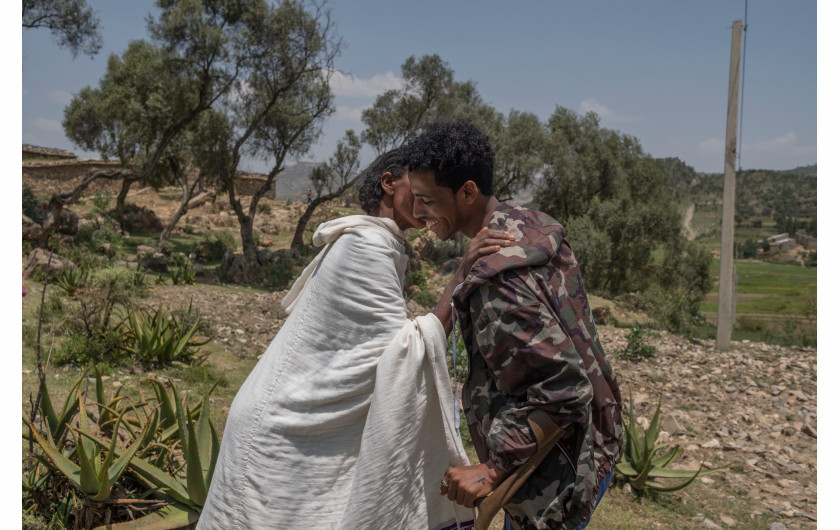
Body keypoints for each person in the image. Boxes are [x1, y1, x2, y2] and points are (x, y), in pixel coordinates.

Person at [198, 147, 511, 530]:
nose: (427, 206)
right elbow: (403, 355)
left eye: (432, 196)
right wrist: (462, 271)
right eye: (418, 193)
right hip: (280, 432)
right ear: (388, 183)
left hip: (294, 425)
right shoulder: (365, 246)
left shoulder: (379, 244)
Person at [404, 121, 623, 530]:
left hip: (556, 476)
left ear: (468, 192)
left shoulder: (497, 280)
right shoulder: (528, 225)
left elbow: (563, 388)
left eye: (427, 200)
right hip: (595, 438)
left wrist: (491, 468)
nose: (418, 214)